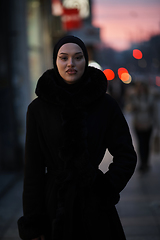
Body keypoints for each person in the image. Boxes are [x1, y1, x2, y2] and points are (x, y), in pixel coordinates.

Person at [17, 35, 137, 240]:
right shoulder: (38, 109)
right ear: (55, 62)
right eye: (64, 58)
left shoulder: (105, 105)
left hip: (96, 210)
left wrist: (104, 189)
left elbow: (126, 155)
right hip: (53, 208)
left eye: (77, 57)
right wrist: (34, 223)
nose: (70, 63)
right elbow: (33, 171)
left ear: (85, 60)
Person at [130, 81, 155, 172]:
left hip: (148, 123)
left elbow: (154, 111)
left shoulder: (150, 97)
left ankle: (146, 162)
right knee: (141, 144)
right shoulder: (134, 97)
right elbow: (131, 109)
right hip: (138, 123)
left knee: (147, 144)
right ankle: (142, 162)